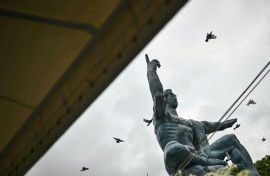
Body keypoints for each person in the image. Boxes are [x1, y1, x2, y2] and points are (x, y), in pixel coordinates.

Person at [145, 55, 260, 176]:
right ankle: (205, 163)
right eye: (172, 95)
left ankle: (252, 174)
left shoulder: (189, 122)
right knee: (173, 148)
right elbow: (157, 94)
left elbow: (207, 126)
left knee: (230, 139)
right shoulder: (162, 116)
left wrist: (225, 124)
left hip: (199, 155)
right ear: (165, 98)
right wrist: (151, 71)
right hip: (179, 161)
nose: (175, 97)